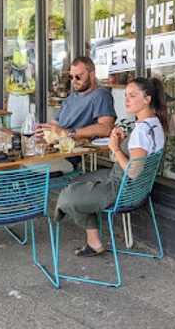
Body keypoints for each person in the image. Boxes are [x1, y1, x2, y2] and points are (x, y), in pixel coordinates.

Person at [55, 77, 167, 257]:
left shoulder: (141, 132)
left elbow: (133, 172)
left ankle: (94, 242)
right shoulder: (155, 125)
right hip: (139, 190)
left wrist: (115, 148)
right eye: (126, 95)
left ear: (147, 100)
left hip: (123, 190)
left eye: (132, 95)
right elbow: (138, 159)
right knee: (79, 181)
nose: (127, 100)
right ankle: (93, 241)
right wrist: (122, 143)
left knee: (68, 195)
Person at [37, 56, 116, 166]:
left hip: (70, 156)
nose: (74, 81)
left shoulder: (100, 95)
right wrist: (41, 131)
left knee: (22, 172)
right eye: (71, 77)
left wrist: (68, 133)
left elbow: (106, 128)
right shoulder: (71, 98)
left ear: (92, 74)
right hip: (52, 150)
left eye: (78, 76)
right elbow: (55, 124)